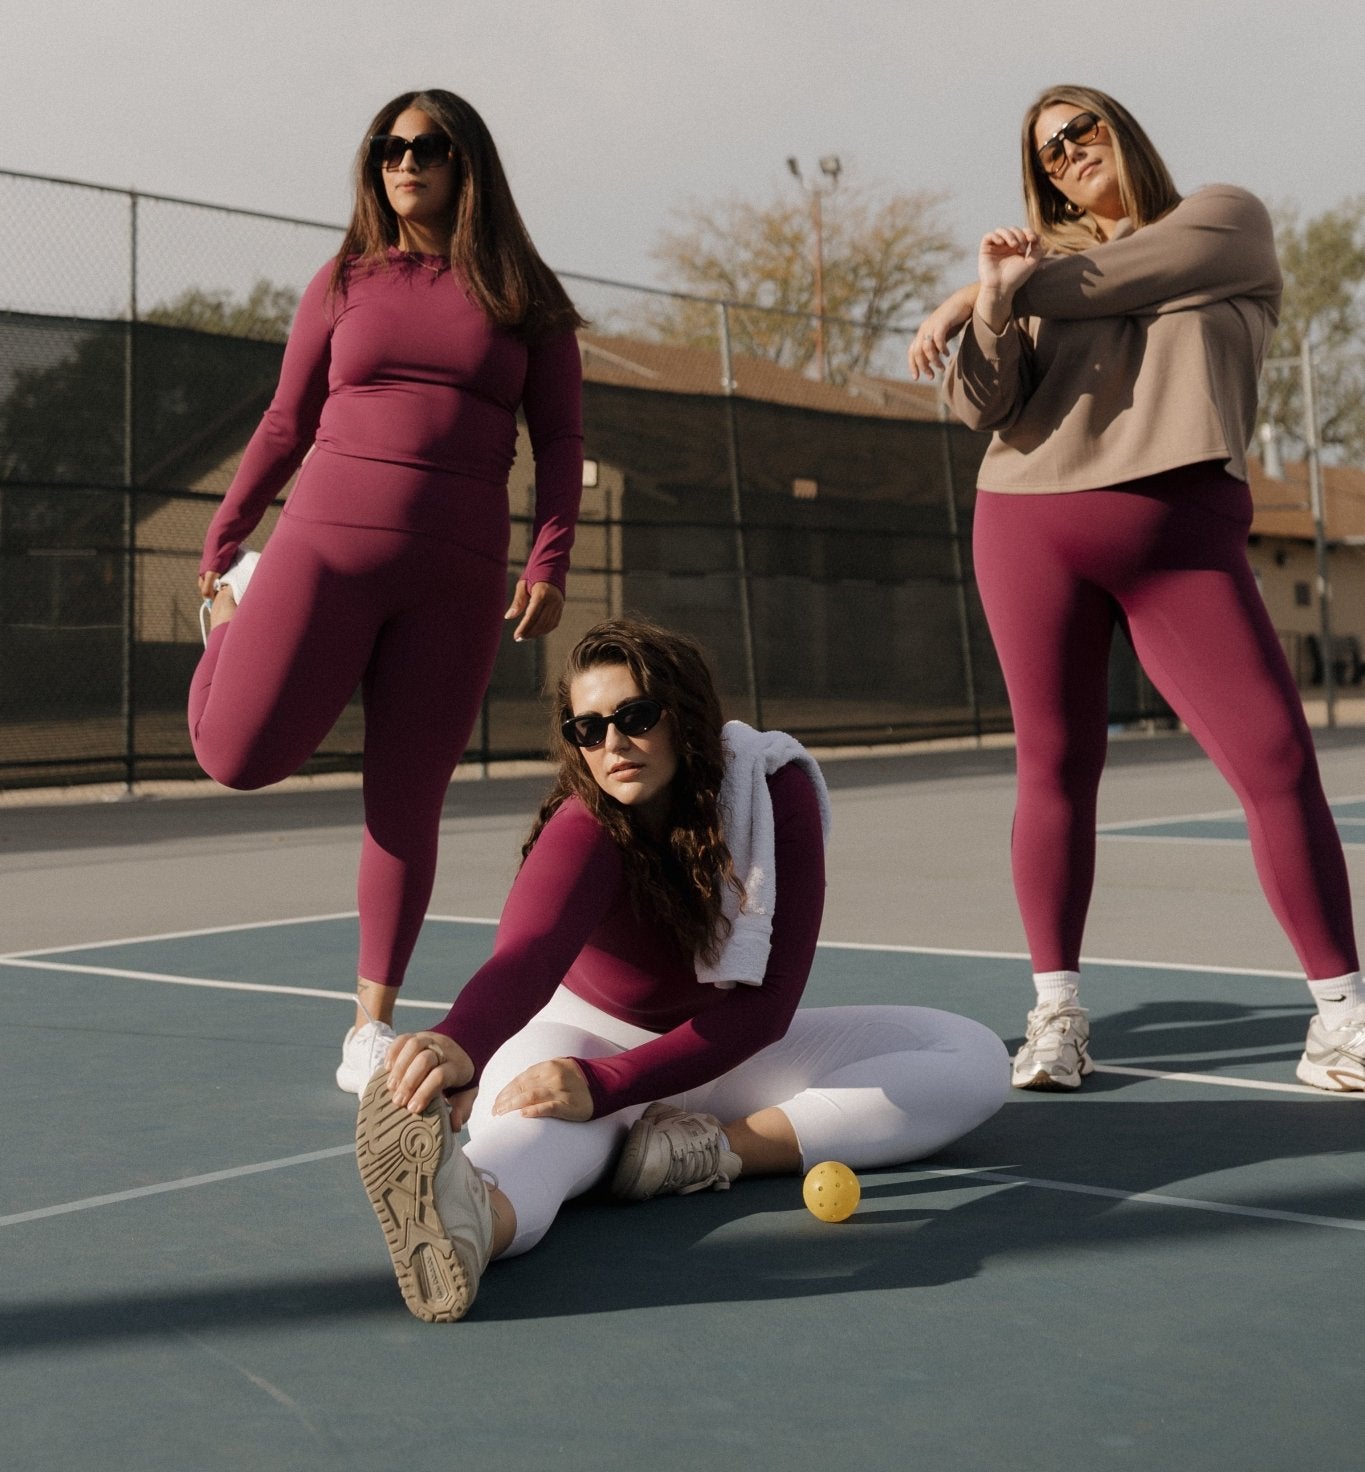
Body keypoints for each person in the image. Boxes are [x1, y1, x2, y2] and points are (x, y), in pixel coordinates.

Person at [353, 618, 1009, 1324]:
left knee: (971, 1056)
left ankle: (703, 1151)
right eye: (588, 729)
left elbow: (768, 1008)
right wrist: (462, 1042)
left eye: (635, 717)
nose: (612, 745)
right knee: (530, 1135)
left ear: (684, 713)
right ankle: (471, 1223)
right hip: (582, 1043)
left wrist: (612, 1087)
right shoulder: (584, 826)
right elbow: (527, 955)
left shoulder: (770, 794)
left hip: (727, 1053)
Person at [907, 84, 1364, 1096]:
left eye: (1083, 128)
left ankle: (1341, 1020)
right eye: (1049, 150)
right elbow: (980, 403)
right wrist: (991, 306)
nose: (1070, 151)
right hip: (1026, 527)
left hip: (1181, 540)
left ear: (1122, 130)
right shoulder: (1034, 277)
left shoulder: (1222, 221)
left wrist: (983, 291)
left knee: (1276, 758)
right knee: (1056, 765)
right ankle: (1056, 1017)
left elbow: (1115, 277)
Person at [189, 89, 583, 1095]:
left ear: (466, 163)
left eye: (427, 146)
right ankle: (227, 623)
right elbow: (285, 421)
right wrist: (228, 531)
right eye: (388, 147)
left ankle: (370, 1024)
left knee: (407, 799)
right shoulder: (343, 281)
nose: (404, 161)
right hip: (320, 553)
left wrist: (549, 560)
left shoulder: (524, 293)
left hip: (455, 578)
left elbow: (561, 440)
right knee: (235, 756)